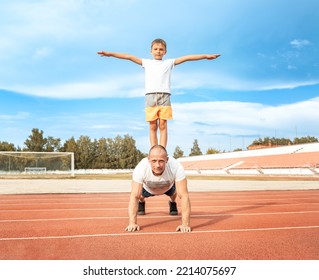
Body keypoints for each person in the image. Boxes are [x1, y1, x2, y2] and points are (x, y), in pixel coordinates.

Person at [97, 39, 220, 148]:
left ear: (165, 52)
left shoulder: (168, 63)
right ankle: (154, 150)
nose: (158, 51)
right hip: (150, 97)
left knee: (163, 125)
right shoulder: (146, 62)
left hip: (164, 96)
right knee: (152, 126)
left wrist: (205, 56)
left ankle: (162, 150)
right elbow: (128, 56)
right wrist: (110, 54)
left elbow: (187, 58)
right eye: (155, 49)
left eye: (161, 49)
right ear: (151, 51)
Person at [125, 144, 191, 233]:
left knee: (177, 192)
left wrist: (185, 224)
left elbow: (184, 195)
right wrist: (132, 223)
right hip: (148, 188)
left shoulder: (176, 166)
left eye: (161, 161)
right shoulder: (141, 168)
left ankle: (172, 203)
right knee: (139, 195)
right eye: (154, 161)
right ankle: (142, 202)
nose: (157, 165)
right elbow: (134, 196)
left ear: (167, 160)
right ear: (148, 159)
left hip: (168, 187)